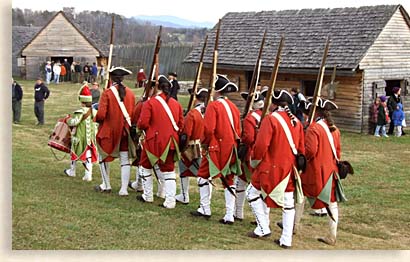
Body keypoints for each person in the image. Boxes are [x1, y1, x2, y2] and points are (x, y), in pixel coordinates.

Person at [246, 90, 304, 249]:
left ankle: (263, 227)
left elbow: (261, 145)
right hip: (288, 168)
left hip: (271, 168)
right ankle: (286, 239)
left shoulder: (270, 119)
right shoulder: (296, 123)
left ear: (274, 103)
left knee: (251, 193)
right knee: (288, 203)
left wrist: (255, 161)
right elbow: (300, 148)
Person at [190, 74, 242, 224]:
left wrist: (204, 143)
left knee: (203, 176)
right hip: (231, 148)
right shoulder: (233, 107)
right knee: (229, 180)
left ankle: (205, 208)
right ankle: (229, 215)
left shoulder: (213, 105)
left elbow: (208, 129)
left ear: (216, 90)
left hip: (215, 148)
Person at [303, 97, 346, 246]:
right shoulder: (334, 129)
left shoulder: (314, 128)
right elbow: (338, 152)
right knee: (331, 203)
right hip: (331, 169)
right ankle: (332, 235)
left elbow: (310, 151)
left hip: (316, 170)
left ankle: (292, 226)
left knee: (298, 196)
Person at [137, 75, 184, 209]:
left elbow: (143, 122)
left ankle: (148, 195)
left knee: (145, 166)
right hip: (171, 141)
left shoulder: (150, 103)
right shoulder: (176, 103)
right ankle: (170, 200)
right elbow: (181, 124)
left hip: (153, 141)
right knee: (169, 170)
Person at [94, 67, 136, 196]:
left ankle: (106, 185)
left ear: (111, 78)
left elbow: (101, 115)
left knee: (103, 157)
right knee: (125, 160)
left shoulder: (107, 93)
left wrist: (95, 118)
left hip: (109, 131)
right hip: (125, 131)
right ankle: (123, 189)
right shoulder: (130, 93)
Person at [233, 91, 264, 221]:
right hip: (262, 154)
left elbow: (249, 138)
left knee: (242, 182)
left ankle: (239, 212)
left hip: (250, 154)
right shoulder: (266, 116)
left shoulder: (250, 118)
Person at [175, 88, 208, 204]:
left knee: (184, 171)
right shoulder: (207, 112)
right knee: (203, 174)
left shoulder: (193, 113)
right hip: (201, 146)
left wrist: (182, 148)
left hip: (191, 147)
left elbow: (186, 133)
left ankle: (184, 196)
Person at [64, 84, 98, 181]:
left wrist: (67, 119)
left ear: (82, 102)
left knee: (73, 153)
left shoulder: (80, 112)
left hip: (79, 136)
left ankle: (72, 171)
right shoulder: (94, 111)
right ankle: (88, 174)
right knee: (88, 156)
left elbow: (74, 122)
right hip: (91, 137)